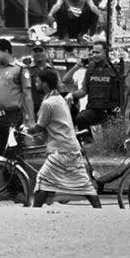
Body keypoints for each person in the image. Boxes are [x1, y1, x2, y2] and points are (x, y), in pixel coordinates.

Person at [30, 68, 101, 208]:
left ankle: (34, 211)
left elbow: (40, 126)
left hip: (61, 150)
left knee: (43, 179)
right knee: (83, 183)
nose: (36, 84)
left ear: (45, 84)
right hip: (70, 147)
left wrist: (26, 130)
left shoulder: (48, 103)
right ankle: (98, 208)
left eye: (38, 81)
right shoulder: (57, 98)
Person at [0, 39, 36, 156]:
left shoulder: (20, 69)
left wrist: (31, 119)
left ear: (6, 51)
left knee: (13, 154)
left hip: (12, 117)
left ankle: (17, 175)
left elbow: (27, 95)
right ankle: (3, 174)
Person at [66, 41, 122, 133]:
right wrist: (72, 95)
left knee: (110, 137)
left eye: (97, 52)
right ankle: (88, 144)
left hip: (110, 110)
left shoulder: (114, 69)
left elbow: (123, 91)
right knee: (81, 118)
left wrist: (120, 110)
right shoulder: (91, 68)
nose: (94, 55)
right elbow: (84, 90)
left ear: (105, 52)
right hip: (94, 108)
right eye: (93, 52)